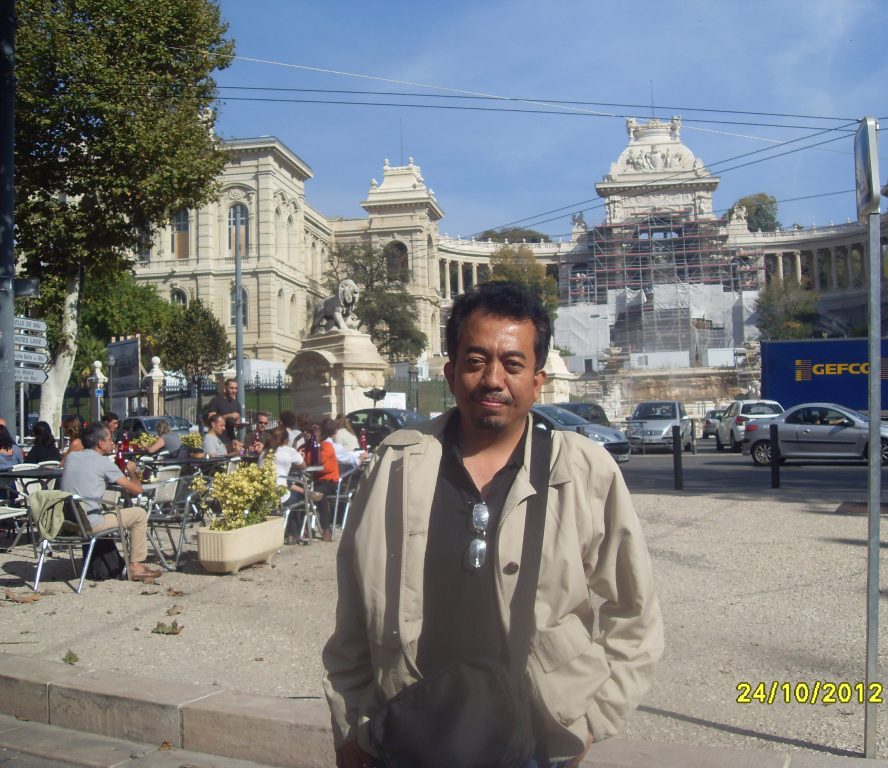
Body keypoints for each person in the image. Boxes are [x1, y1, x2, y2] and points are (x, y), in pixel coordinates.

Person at [322, 281, 663, 768]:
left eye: (513, 364)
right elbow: (354, 611)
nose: (493, 379)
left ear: (538, 381)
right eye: (476, 361)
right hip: (405, 731)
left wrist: (590, 721)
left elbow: (634, 612)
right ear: (451, 372)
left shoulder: (584, 470)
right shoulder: (394, 465)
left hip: (535, 742)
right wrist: (351, 723)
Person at [61, 423, 160, 581]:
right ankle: (135, 566)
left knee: (103, 508)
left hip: (67, 520)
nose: (112, 443)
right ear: (101, 443)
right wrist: (132, 471)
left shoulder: (71, 457)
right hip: (89, 523)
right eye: (110, 440)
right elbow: (137, 490)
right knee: (139, 514)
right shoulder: (104, 463)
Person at [259, 426, 307, 544]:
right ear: (286, 441)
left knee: (290, 490)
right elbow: (303, 467)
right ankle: (294, 533)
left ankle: (292, 532)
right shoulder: (289, 451)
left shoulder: (264, 452)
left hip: (264, 497)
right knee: (302, 497)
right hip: (280, 497)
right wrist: (299, 457)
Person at [298, 420, 339, 542]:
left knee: (318, 494)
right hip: (313, 480)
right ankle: (302, 527)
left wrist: (316, 441)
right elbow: (302, 461)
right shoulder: (308, 446)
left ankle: (326, 528)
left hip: (329, 480)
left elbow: (318, 463)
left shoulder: (327, 446)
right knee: (301, 493)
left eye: (315, 433)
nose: (310, 435)